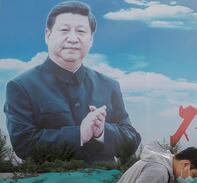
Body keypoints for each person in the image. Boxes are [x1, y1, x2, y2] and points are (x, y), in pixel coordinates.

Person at [3, 1, 140, 163]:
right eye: (64, 30)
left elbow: (132, 139)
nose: (73, 39)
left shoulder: (109, 85)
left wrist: (102, 132)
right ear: (48, 35)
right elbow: (24, 145)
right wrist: (80, 134)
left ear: (91, 39)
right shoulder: (21, 86)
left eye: (81, 31)